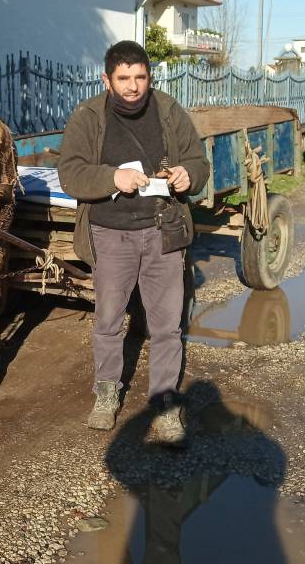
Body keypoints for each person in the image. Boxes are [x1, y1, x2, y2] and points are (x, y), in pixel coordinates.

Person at [57, 40, 209, 446]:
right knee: (108, 322)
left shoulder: (169, 111)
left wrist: (186, 175)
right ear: (107, 79)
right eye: (123, 78)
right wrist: (112, 178)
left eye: (140, 77)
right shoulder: (88, 117)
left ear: (149, 77)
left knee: (166, 327)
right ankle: (107, 395)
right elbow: (69, 172)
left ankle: (164, 405)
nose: (133, 87)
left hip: (163, 232)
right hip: (111, 235)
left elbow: (199, 161)